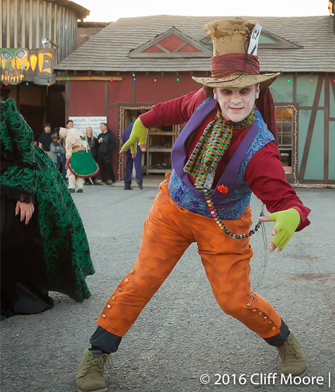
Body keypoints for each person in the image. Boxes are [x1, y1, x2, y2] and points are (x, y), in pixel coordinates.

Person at [75, 19, 311, 391]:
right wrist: (144, 121)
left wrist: (292, 212)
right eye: (227, 91)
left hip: (224, 224)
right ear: (214, 91)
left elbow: (280, 191)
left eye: (245, 91)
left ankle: (284, 341)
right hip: (172, 208)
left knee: (235, 301)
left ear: (256, 91)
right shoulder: (201, 103)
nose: (236, 100)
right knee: (143, 279)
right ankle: (97, 352)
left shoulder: (260, 145)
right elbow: (172, 108)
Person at [1, 99, 95, 320]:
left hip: (28, 177)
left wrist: (26, 195)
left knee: (28, 234)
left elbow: (26, 152)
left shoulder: (7, 112)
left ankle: (24, 293)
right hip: (3, 179)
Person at [59, 127, 99, 193]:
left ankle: (71, 187)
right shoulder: (78, 132)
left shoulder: (68, 137)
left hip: (76, 153)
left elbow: (68, 151)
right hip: (85, 153)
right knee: (81, 169)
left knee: (71, 170)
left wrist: (67, 163)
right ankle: (80, 187)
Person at [122, 114, 143, 190]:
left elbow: (123, 137)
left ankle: (127, 183)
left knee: (128, 164)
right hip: (136, 147)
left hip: (128, 148)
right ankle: (139, 179)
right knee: (137, 163)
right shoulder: (139, 127)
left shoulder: (126, 129)